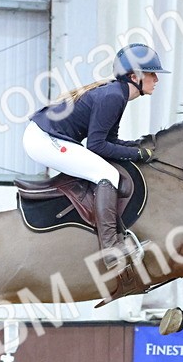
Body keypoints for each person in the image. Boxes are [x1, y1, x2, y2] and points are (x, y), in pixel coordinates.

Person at [23, 43, 168, 268]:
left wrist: (140, 147)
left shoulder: (117, 94)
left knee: (106, 169)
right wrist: (136, 153)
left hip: (47, 135)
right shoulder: (113, 96)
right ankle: (111, 248)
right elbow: (97, 146)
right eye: (152, 73)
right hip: (43, 139)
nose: (156, 80)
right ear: (135, 76)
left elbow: (110, 140)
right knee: (107, 174)